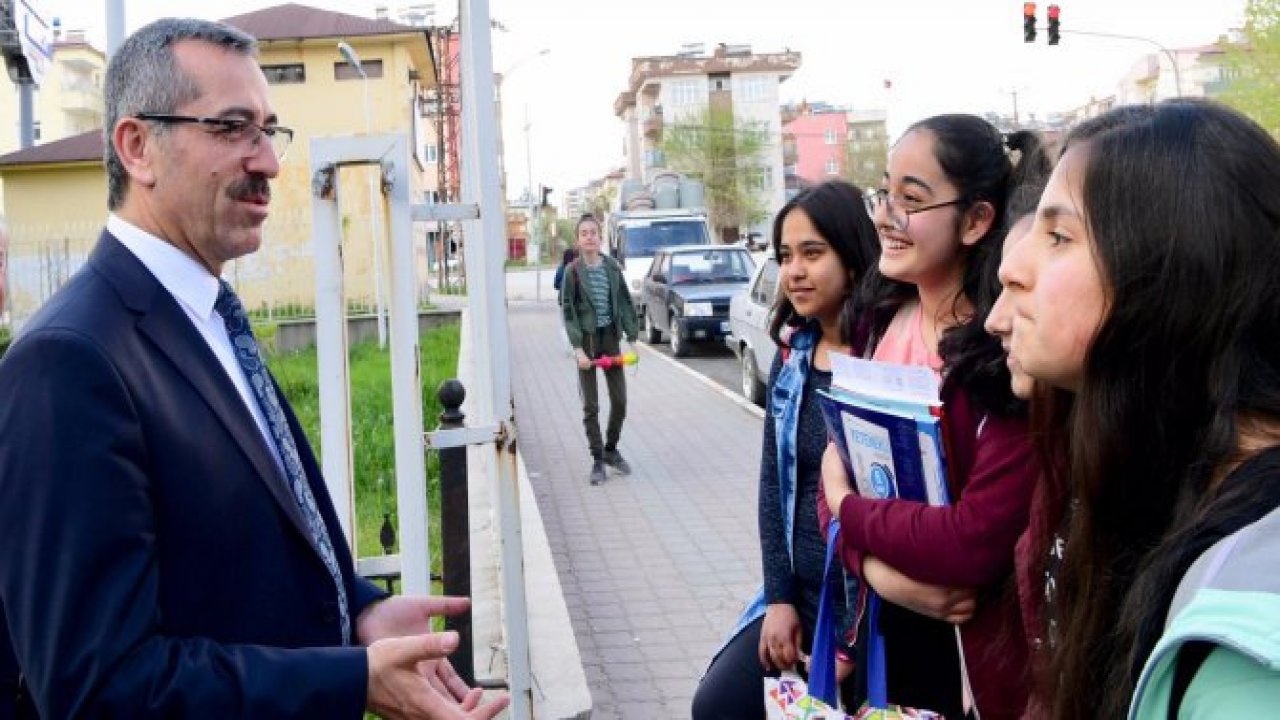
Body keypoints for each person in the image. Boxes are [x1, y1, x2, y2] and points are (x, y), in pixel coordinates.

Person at [0, 19, 508, 718]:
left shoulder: (208, 315)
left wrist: (357, 617)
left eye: (270, 131)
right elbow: (97, 688)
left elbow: (238, 555)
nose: (268, 161)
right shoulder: (69, 362)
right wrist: (347, 679)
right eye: (234, 128)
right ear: (137, 146)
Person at [993, 99, 1280, 720]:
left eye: (1059, 236)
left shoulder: (1249, 644)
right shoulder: (1158, 483)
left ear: (1177, 271)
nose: (1011, 270)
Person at [819, 117, 1046, 719]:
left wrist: (847, 510)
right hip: (884, 635)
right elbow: (831, 475)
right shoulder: (877, 322)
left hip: (972, 663)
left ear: (976, 220)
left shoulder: (1005, 358)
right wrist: (879, 570)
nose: (886, 216)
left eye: (912, 200)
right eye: (885, 193)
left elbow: (970, 544)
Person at [692, 180, 880, 718]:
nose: (793, 271)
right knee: (719, 703)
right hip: (800, 596)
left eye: (812, 253)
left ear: (852, 253)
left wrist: (849, 639)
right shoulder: (794, 359)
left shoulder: (885, 359)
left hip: (871, 611)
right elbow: (774, 483)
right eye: (785, 256)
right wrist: (778, 597)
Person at [559, 213, 638, 485]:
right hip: (587, 343)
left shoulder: (613, 268)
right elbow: (568, 312)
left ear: (600, 237)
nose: (589, 237)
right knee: (591, 406)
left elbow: (626, 302)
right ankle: (597, 460)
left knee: (620, 402)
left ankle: (610, 449)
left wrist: (632, 337)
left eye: (594, 232)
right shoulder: (572, 273)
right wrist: (577, 349)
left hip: (610, 341)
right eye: (584, 233)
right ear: (578, 240)